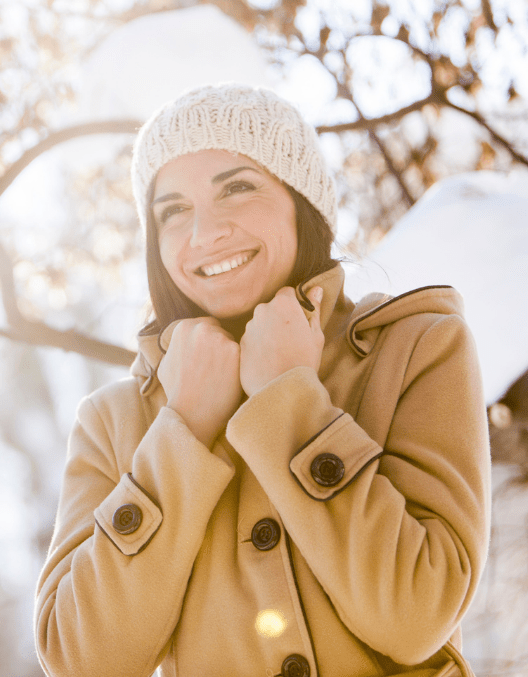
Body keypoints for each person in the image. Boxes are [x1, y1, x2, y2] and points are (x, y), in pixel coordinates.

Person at [34, 84, 491, 677]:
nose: (205, 233)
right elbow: (80, 661)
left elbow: (415, 615)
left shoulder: (416, 349)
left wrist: (288, 402)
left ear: (303, 204)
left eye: (238, 187)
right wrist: (183, 432)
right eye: (173, 210)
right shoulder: (114, 422)